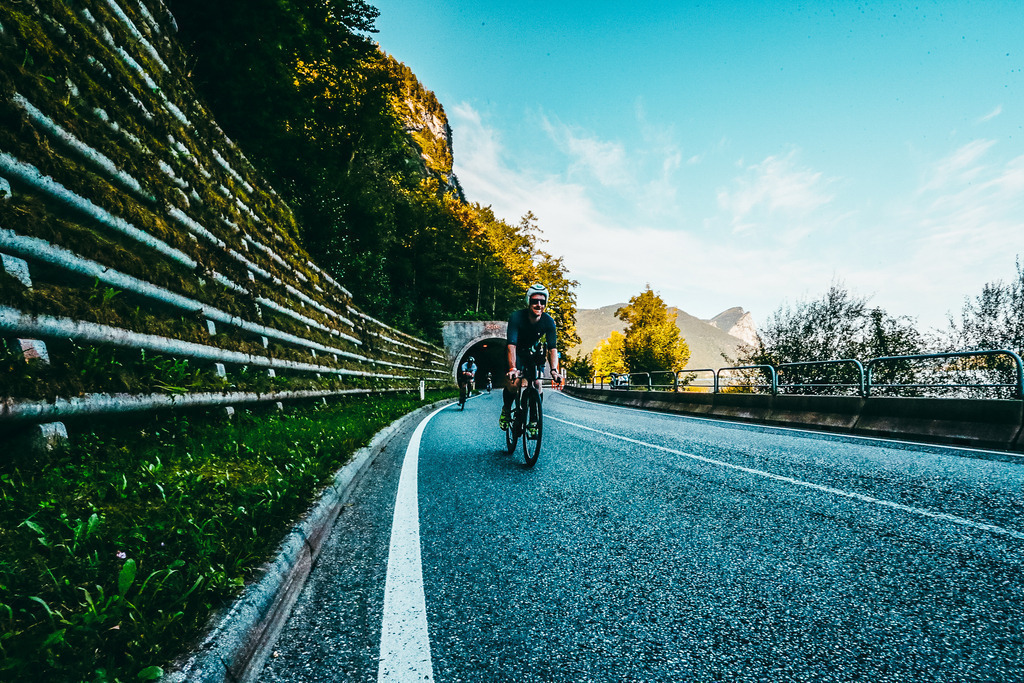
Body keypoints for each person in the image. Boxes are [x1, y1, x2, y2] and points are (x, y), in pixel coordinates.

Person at [499, 284, 562, 435]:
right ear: (528, 301)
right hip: (517, 351)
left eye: (542, 302)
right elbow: (511, 345)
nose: (538, 305)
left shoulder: (548, 321)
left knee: (537, 383)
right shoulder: (516, 317)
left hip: (534, 353)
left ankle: (533, 420)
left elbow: (553, 348)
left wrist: (554, 371)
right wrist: (513, 368)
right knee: (514, 383)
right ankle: (507, 409)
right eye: (535, 301)